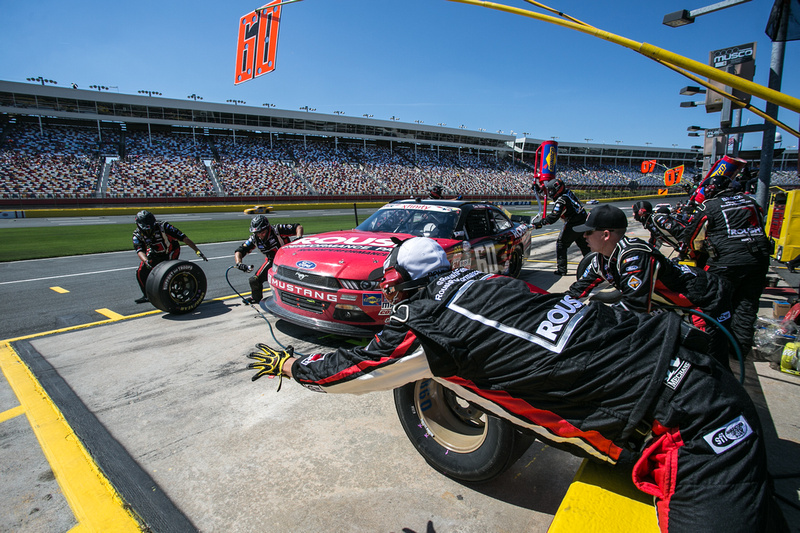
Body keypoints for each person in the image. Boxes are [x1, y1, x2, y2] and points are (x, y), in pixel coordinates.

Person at [246, 237, 786, 533]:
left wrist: (292, 366)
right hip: (686, 369)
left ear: (407, 284)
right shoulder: (495, 282)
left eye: (392, 288)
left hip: (689, 429)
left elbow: (354, 372)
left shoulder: (425, 327)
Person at [568, 204, 734, 368]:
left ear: (605, 235)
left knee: (709, 365)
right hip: (675, 305)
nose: (584, 236)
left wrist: (595, 323)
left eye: (588, 232)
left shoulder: (634, 255)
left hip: (706, 299)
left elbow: (634, 305)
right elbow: (576, 291)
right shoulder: (600, 260)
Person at [681, 158, 772, 356]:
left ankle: (715, 349)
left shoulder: (710, 206)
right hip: (758, 260)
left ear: (712, 190)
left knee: (716, 304)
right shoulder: (752, 202)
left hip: (726, 262)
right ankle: (740, 350)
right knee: (747, 306)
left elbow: (692, 236)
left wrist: (694, 253)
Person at [132, 210, 206, 304]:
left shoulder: (164, 226)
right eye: (146, 229)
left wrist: (197, 250)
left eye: (151, 227)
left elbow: (184, 238)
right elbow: (139, 250)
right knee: (141, 271)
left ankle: (175, 288)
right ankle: (146, 295)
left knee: (168, 271)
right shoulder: (137, 235)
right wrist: (146, 261)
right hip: (155, 253)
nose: (149, 231)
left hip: (171, 251)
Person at [234, 214, 303, 304]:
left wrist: (298, 239)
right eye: (257, 233)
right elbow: (240, 250)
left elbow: (298, 227)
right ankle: (256, 298)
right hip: (272, 261)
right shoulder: (254, 239)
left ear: (268, 228)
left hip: (288, 260)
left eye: (262, 232)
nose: (260, 235)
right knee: (254, 280)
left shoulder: (277, 230)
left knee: (294, 281)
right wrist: (239, 263)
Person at [533, 178, 590, 276]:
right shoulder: (567, 192)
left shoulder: (562, 200)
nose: (550, 193)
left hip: (573, 222)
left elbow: (553, 217)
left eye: (551, 190)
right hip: (582, 220)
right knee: (584, 246)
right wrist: (539, 190)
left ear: (558, 189)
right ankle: (592, 265)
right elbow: (551, 196)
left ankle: (562, 270)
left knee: (561, 244)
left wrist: (540, 223)